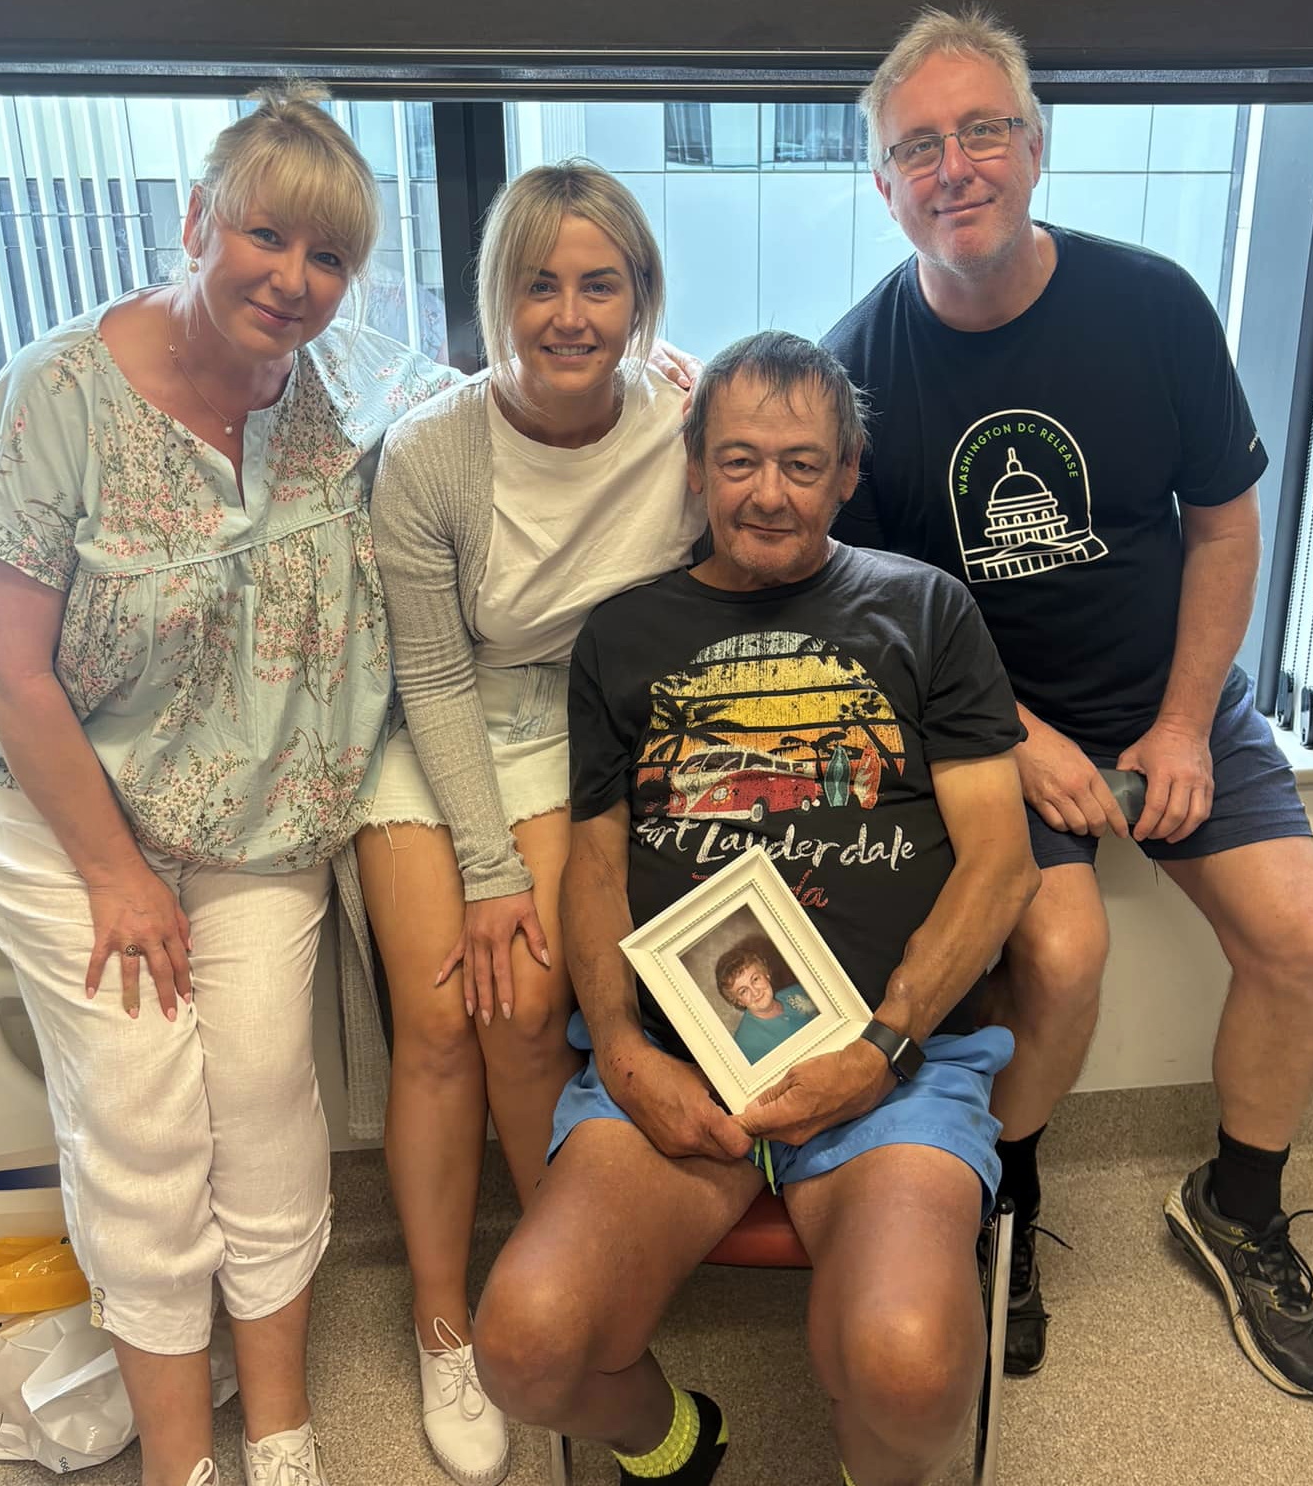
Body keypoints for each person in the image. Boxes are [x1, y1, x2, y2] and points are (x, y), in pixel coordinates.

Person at [822, 5, 1313, 1396]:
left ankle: (1236, 1204)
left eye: (981, 131)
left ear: (1037, 146)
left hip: (1173, 696)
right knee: (1059, 954)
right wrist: (1017, 739)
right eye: (918, 147)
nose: (954, 167)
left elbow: (1224, 527)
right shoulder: (857, 364)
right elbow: (874, 615)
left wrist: (1180, 723)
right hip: (990, 724)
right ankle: (1009, 1198)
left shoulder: (1154, 303)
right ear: (883, 185)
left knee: (1303, 932)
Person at [0, 88, 459, 1486]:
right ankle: (183, 1463)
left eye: (328, 256)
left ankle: (282, 1434)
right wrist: (117, 873)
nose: (294, 279)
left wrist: (663, 378)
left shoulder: (338, 380)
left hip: (259, 802)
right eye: (265, 236)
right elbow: (4, 664)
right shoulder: (53, 397)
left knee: (259, 1091)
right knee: (141, 1115)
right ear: (195, 222)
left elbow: (474, 404)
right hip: (61, 806)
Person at [470, 331, 1040, 1486]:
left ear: (848, 472)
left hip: (893, 1063)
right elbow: (595, 866)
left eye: (799, 463)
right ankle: (678, 1442)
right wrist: (621, 1050)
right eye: (737, 460)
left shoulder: (927, 609)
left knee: (911, 1369)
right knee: (522, 1350)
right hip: (674, 1060)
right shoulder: (623, 636)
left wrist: (881, 1048)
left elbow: (1001, 865)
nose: (767, 493)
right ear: (694, 466)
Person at [356, 160, 704, 1486]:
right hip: (444, 725)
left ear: (641, 295)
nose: (568, 314)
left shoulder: (682, 425)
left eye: (599, 284)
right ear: (497, 295)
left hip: (580, 731)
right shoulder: (430, 450)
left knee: (524, 1008)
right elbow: (433, 676)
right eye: (538, 284)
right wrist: (490, 867)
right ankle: (445, 1325)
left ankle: (556, 1294)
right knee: (440, 1013)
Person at [715, 943, 819, 1062]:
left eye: (755, 979)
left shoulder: (799, 990)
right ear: (738, 1001)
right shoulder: (746, 1045)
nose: (755, 992)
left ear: (766, 974)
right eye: (743, 991)